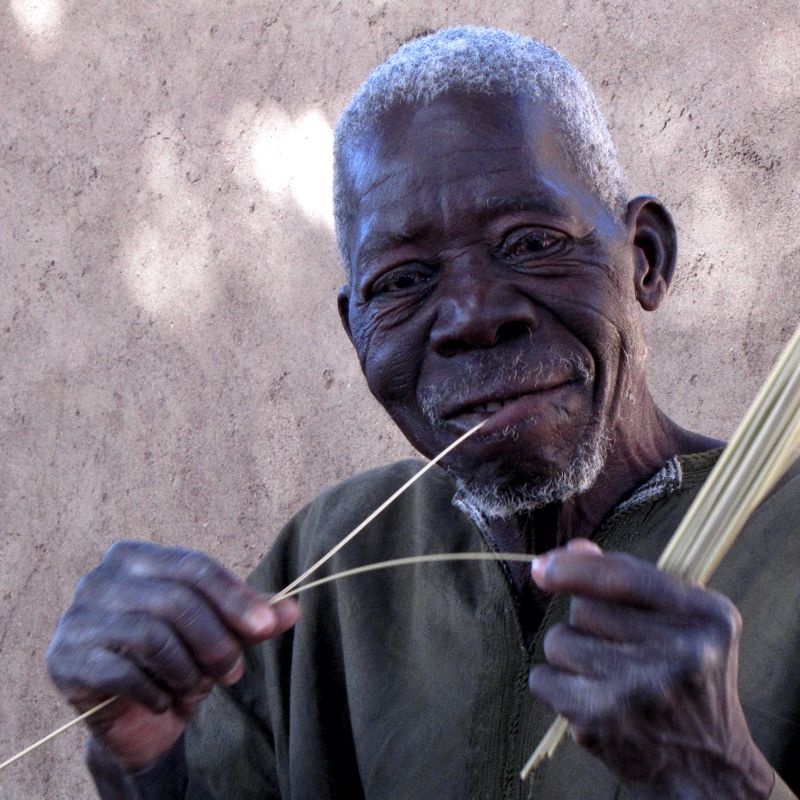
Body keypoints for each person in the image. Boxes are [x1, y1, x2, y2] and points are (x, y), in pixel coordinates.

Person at [46, 26, 800, 800]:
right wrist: (142, 760)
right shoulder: (333, 560)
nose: (472, 315)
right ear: (357, 330)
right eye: (402, 281)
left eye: (531, 241)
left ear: (644, 257)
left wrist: (723, 779)